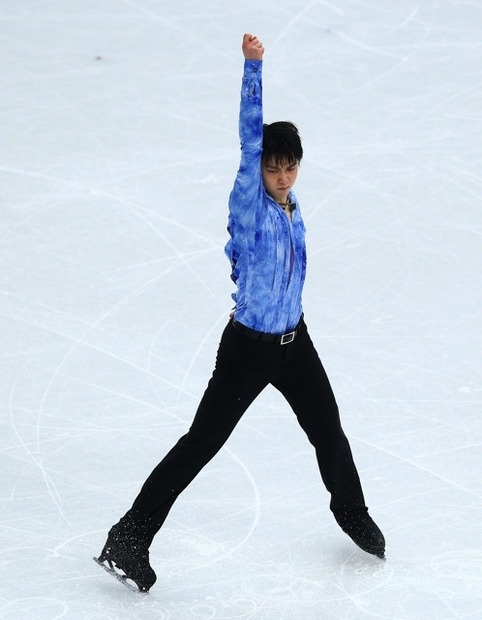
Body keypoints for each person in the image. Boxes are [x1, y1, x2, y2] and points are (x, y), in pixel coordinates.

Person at [94, 33, 385, 594]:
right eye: (273, 167)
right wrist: (253, 70)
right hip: (248, 348)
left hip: (294, 343)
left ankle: (352, 511)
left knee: (329, 429)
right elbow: (250, 138)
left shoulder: (292, 206)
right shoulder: (249, 199)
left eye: (288, 167)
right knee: (201, 443)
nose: (280, 175)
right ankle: (128, 538)